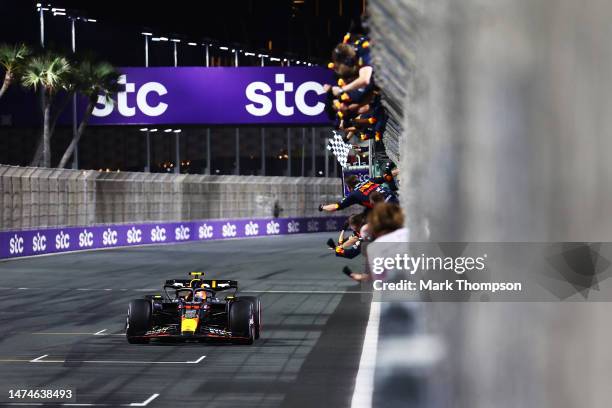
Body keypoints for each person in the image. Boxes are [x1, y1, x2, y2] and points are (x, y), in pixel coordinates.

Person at [319, 174, 398, 212]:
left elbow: (336, 206)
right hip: (395, 197)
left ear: (349, 187)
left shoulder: (353, 194)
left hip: (386, 208)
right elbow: (387, 176)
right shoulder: (369, 180)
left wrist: (323, 207)